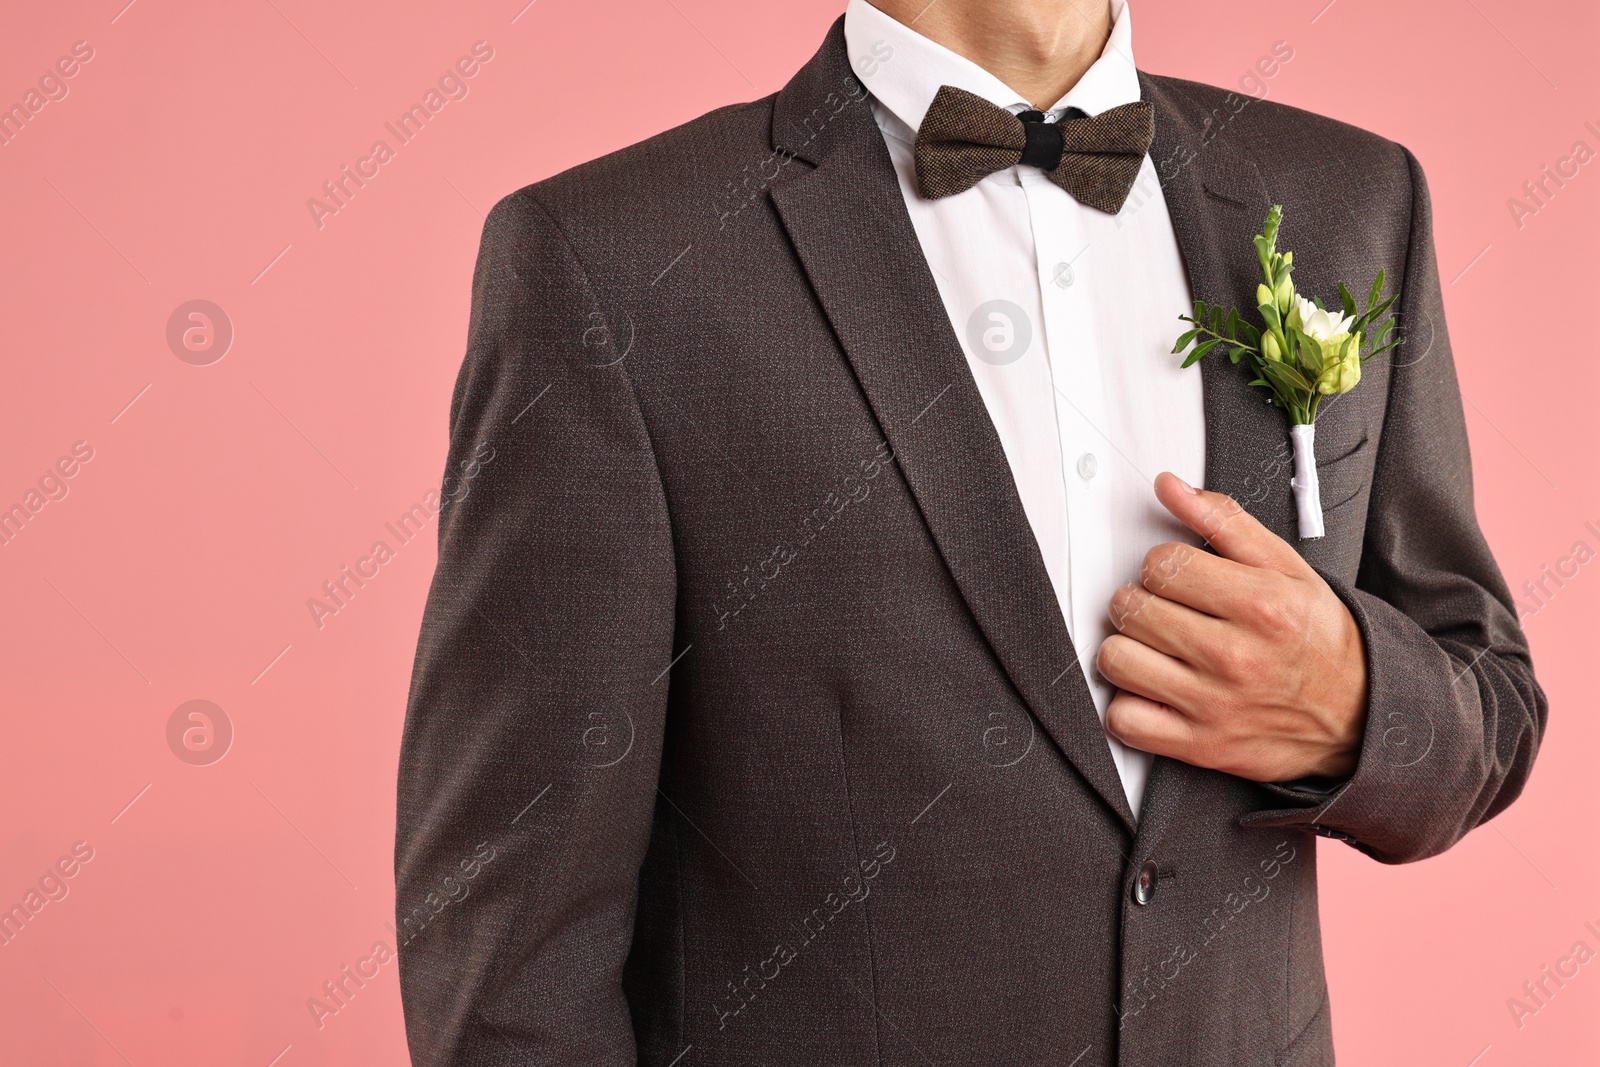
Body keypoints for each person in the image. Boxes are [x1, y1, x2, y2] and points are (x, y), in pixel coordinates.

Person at [394, 1, 1546, 1063]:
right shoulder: (613, 258)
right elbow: (509, 942)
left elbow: (1489, 704)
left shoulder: (1351, 194)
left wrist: (1352, 702)